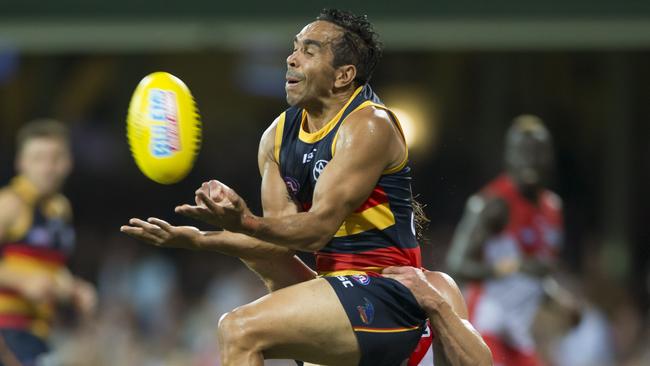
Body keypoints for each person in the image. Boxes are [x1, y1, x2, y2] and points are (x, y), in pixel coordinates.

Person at [122, 9, 491, 366]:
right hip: (336, 290)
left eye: (309, 51)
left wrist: (243, 221)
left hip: (389, 293)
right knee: (261, 257)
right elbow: (278, 238)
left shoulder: (368, 125)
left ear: (343, 75)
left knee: (238, 329)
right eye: (295, 47)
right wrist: (199, 239)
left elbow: (315, 231)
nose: (291, 59)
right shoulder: (276, 137)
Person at [446, 115, 562, 366]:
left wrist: (558, 299)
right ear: (509, 155)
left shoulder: (553, 208)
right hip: (485, 325)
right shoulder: (491, 203)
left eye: (538, 153)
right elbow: (456, 264)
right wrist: (502, 269)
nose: (530, 160)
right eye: (523, 152)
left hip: (518, 332)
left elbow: (536, 273)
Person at [0, 119, 96, 365]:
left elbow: (50, 269)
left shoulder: (60, 210)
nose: (47, 168)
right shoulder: (9, 205)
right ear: (21, 162)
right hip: (6, 331)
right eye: (38, 158)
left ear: (68, 163)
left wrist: (73, 289)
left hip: (38, 332)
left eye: (55, 158)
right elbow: (29, 277)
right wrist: (22, 280)